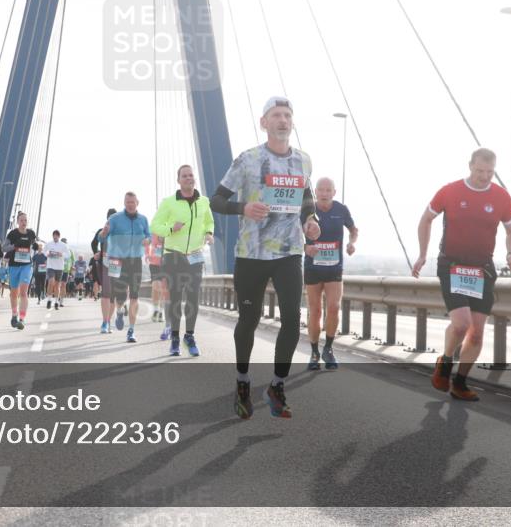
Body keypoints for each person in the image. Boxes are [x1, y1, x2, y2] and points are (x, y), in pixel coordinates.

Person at [211, 97, 320, 420]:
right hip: (252, 254)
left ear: (292, 122)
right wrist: (241, 208)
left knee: (291, 319)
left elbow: (306, 198)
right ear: (264, 123)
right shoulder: (248, 159)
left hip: (289, 253)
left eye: (287, 115)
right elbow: (216, 200)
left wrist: (311, 222)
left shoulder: (303, 160)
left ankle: (277, 385)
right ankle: (243, 381)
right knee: (249, 320)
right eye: (276, 115)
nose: (283, 120)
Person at [414, 147, 511, 402]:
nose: (485, 177)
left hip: (482, 268)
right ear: (470, 166)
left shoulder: (501, 197)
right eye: (480, 171)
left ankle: (460, 383)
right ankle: (446, 362)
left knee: (477, 332)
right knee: (461, 323)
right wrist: (422, 254)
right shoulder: (450, 191)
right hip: (452, 265)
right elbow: (425, 220)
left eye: (490, 172)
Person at [152, 165, 215, 357]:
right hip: (173, 256)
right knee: (176, 298)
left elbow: (209, 221)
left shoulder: (204, 201)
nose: (189, 178)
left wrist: (209, 233)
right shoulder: (169, 202)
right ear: (178, 180)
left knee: (193, 297)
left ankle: (190, 336)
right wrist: (171, 228)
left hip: (195, 256)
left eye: (191, 175)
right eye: (184, 176)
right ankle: (175, 339)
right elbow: (155, 225)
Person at [302, 177, 358, 370]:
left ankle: (328, 348)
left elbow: (353, 230)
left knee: (334, 307)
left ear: (334, 192)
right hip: (312, 267)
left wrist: (352, 242)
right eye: (321, 190)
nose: (324, 193)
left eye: (328, 190)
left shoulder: (341, 209)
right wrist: (304, 247)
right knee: (315, 310)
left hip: (334, 267)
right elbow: (292, 234)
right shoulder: (308, 211)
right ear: (315, 192)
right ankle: (314, 353)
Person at [102, 192, 151, 343]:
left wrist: (147, 241)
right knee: (118, 294)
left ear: (137, 203)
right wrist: (103, 234)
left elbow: (148, 235)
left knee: (134, 296)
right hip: (117, 260)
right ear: (124, 203)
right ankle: (119, 310)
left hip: (135, 260)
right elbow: (101, 237)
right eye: (127, 202)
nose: (130, 204)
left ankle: (131, 331)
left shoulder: (143, 219)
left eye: (132, 202)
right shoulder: (114, 218)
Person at [4, 212, 37, 330]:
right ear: (17, 222)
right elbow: (4, 248)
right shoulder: (12, 234)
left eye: (25, 220)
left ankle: (22, 318)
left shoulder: (31, 234)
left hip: (27, 265)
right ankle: (14, 315)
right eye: (22, 220)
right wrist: (14, 246)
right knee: (14, 293)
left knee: (23, 292)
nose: (24, 223)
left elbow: (35, 245)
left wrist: (37, 246)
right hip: (14, 266)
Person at [92, 208, 118, 332]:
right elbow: (94, 243)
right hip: (105, 263)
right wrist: (96, 252)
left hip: (117, 264)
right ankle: (104, 322)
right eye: (110, 218)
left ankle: (108, 320)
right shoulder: (102, 231)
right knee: (106, 292)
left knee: (113, 296)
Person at [43, 231, 68, 310]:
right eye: (54, 236)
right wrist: (47, 254)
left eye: (56, 236)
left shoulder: (63, 245)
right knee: (51, 282)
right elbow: (44, 251)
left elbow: (68, 254)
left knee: (57, 286)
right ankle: (49, 300)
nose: (55, 237)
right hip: (50, 266)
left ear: (59, 236)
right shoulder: (49, 244)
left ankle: (56, 302)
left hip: (59, 267)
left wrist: (62, 254)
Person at [147, 234, 167, 327]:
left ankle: (161, 311)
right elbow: (146, 243)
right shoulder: (154, 231)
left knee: (164, 288)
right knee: (156, 286)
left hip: (167, 263)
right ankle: (155, 309)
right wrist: (147, 254)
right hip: (154, 263)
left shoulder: (170, 231)